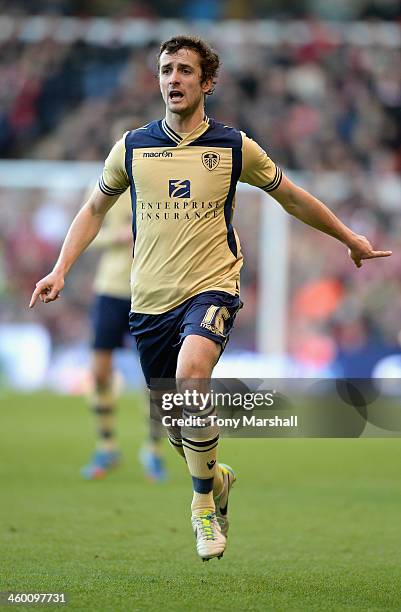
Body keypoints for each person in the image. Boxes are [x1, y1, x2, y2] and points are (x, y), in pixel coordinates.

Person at [29, 35, 391, 561]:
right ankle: (216, 478)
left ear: (208, 82)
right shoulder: (131, 147)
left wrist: (349, 238)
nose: (172, 79)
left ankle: (202, 511)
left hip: (212, 287)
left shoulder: (233, 146)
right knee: (177, 428)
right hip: (149, 300)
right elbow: (92, 210)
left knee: (192, 375)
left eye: (184, 71)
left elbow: (290, 195)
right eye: (165, 70)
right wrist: (61, 268)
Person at [81, 117, 166, 481]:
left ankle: (153, 449)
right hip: (112, 289)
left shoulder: (161, 185)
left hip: (152, 290)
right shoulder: (105, 184)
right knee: (100, 370)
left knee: (157, 380)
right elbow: (88, 227)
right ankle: (107, 447)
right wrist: (115, 237)